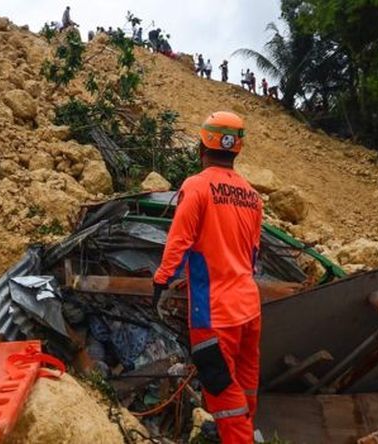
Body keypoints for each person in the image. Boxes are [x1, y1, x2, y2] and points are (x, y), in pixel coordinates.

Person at [153, 111, 262, 444]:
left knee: (221, 390)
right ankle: (241, 429)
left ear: (202, 147)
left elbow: (180, 243)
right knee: (245, 383)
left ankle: (236, 436)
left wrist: (160, 283)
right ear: (236, 150)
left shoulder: (197, 186)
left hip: (214, 313)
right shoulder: (252, 196)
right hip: (249, 308)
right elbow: (250, 257)